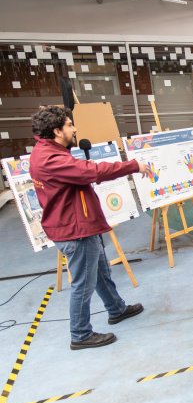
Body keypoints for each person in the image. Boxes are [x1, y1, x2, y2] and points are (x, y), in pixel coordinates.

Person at [28, 106, 147, 350]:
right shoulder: (51, 159)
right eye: (70, 125)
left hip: (79, 225)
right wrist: (133, 165)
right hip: (75, 230)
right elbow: (92, 172)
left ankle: (116, 309)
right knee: (84, 283)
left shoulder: (48, 151)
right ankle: (80, 334)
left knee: (100, 271)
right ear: (57, 130)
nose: (74, 129)